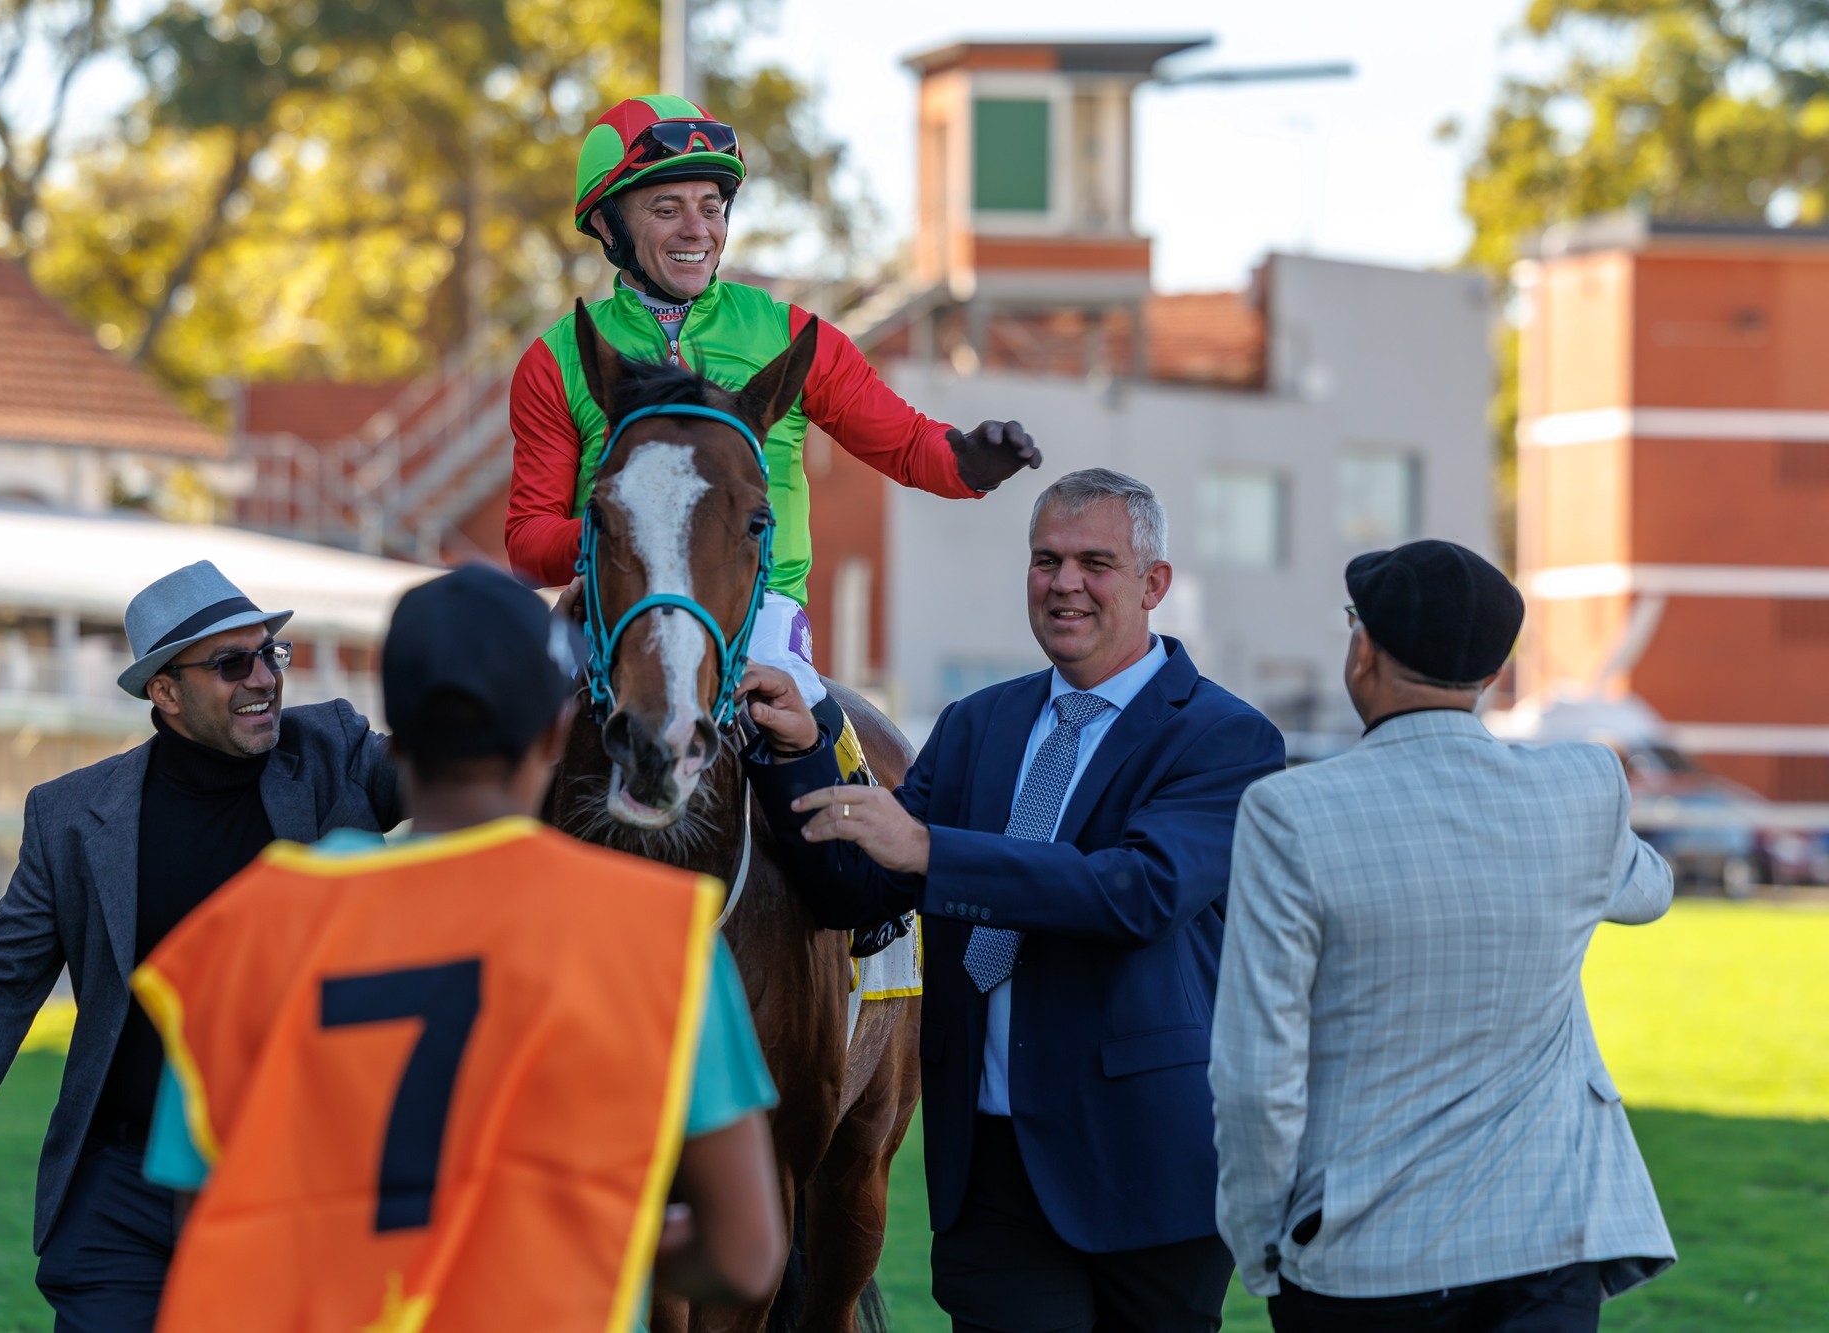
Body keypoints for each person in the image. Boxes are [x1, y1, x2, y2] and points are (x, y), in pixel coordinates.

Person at [130, 563, 784, 1330]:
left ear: (396, 731)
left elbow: (210, 1232)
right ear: (555, 731)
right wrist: (598, 1235)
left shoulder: (244, 928)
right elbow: (746, 1252)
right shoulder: (659, 933)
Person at [740, 468, 1285, 1333]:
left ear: (1154, 584)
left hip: (1145, 1166)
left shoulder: (1226, 737)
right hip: (989, 1168)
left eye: (1095, 563)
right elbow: (861, 893)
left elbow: (1137, 893)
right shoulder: (974, 724)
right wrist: (802, 753)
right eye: (1046, 560)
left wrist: (932, 850)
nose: (1065, 583)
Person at [0, 560, 403, 1331]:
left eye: (269, 652)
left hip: (295, 1180)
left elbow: (457, 770)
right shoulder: (71, 817)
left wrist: (578, 641)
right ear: (164, 692)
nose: (263, 677)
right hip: (122, 1187)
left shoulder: (333, 749)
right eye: (231, 663)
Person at [1210, 540, 1676, 1333]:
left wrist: (1258, 1243)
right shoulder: (1581, 787)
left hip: (1363, 1258)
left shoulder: (1290, 812)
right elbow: (1649, 891)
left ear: (1364, 648)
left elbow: (1258, 1075)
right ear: (1492, 674)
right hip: (1548, 1242)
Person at [506, 94, 1041, 776]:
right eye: (666, 209)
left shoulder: (789, 334)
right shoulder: (555, 359)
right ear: (610, 224)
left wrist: (969, 461)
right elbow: (528, 541)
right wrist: (621, 531)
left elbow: (907, 444)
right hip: (613, 611)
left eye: (711, 206)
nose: (697, 229)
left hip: (758, 614)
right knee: (495, 753)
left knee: (815, 764)